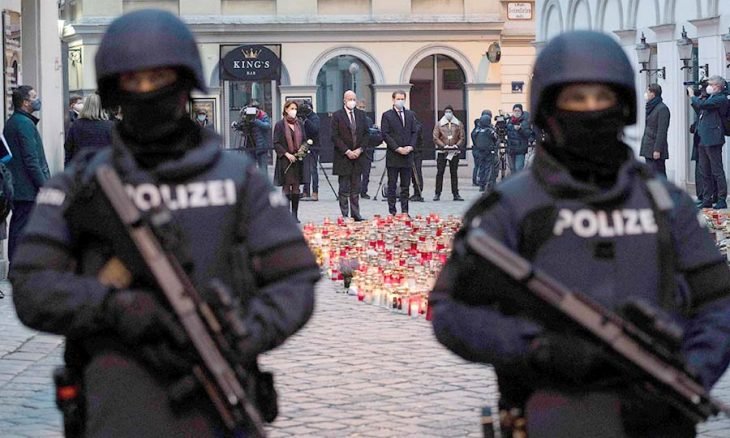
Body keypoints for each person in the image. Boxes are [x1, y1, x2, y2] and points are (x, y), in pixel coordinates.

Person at [10, 9, 319, 436]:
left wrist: (243, 333)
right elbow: (31, 287)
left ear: (185, 82)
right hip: (112, 408)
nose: (146, 91)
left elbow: (295, 279)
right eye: (132, 80)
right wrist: (115, 308)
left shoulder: (238, 180)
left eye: (159, 77)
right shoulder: (81, 186)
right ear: (113, 91)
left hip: (217, 400)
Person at [430, 30, 730, 437]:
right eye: (576, 99)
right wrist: (537, 347)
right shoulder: (512, 207)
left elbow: (718, 301)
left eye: (602, 97)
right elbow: (452, 311)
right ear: (548, 108)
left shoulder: (664, 202)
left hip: (655, 416)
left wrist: (691, 370)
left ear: (623, 105)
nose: (590, 109)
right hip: (546, 412)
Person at [4, 84, 49, 263]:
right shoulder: (23, 124)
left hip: (20, 187)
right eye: (34, 97)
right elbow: (31, 160)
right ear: (25, 102)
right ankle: (18, 267)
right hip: (26, 190)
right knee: (22, 229)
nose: (37, 100)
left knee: (19, 227)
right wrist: (44, 185)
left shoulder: (15, 122)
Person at [689, 75, 728, 209]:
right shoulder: (711, 97)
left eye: (711, 84)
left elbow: (702, 105)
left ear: (718, 86)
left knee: (717, 170)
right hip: (703, 138)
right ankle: (707, 199)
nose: (708, 87)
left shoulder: (720, 98)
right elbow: (700, 108)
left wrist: (692, 96)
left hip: (713, 138)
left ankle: (721, 198)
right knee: (704, 171)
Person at [331, 90, 369, 221]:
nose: (352, 102)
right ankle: (345, 214)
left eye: (354, 99)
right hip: (343, 157)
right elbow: (335, 136)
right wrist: (347, 151)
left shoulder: (361, 115)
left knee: (356, 188)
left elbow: (366, 134)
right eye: (349, 99)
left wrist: (360, 149)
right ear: (344, 100)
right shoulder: (337, 116)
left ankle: (356, 214)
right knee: (344, 188)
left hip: (358, 157)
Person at [381, 90, 418, 215]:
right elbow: (385, 134)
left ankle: (405, 211)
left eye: (402, 99)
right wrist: (397, 148)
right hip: (394, 155)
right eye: (398, 99)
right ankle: (392, 211)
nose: (400, 101)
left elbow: (414, 132)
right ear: (393, 99)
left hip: (407, 155)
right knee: (392, 185)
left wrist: (410, 146)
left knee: (405, 185)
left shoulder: (410, 114)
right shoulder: (387, 115)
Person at [273, 100, 307, 222]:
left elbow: (305, 140)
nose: (294, 111)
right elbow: (276, 143)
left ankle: (295, 215)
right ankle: (286, 215)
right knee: (287, 186)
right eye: (292, 108)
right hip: (285, 160)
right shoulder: (280, 125)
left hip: (297, 160)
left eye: (295, 109)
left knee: (296, 186)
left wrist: (302, 150)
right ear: (286, 109)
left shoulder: (300, 123)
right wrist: (287, 154)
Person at [64, 93, 114, 166]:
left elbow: (68, 148)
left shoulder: (76, 125)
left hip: (81, 168)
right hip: (103, 168)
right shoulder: (110, 126)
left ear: (85, 106)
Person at [433, 105, 465, 201]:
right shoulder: (439, 124)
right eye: (446, 112)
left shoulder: (458, 123)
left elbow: (462, 137)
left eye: (450, 112)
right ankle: (437, 193)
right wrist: (443, 146)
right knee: (440, 172)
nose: (448, 114)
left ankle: (455, 193)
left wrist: (457, 146)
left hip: (454, 152)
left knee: (454, 173)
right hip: (442, 151)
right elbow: (435, 137)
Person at [640, 83, 670, 177]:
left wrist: (657, 149)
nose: (646, 94)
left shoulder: (662, 109)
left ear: (653, 94)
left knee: (659, 175)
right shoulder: (651, 107)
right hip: (648, 148)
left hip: (655, 150)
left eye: (647, 92)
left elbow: (662, 131)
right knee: (650, 175)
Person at [470, 110, 499, 192]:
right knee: (488, 168)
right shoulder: (490, 130)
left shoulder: (477, 130)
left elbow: (473, 138)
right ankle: (488, 183)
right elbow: (495, 139)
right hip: (489, 152)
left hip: (479, 151)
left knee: (481, 168)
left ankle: (481, 184)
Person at [299, 101, 321, 202]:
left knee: (313, 169)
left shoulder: (315, 117)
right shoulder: (300, 117)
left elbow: (315, 130)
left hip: (314, 146)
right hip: (304, 145)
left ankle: (315, 191)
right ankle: (305, 191)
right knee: (304, 169)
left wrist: (306, 120)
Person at [505, 103, 532, 174]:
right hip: (511, 149)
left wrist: (520, 129)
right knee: (513, 170)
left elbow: (528, 134)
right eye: (515, 111)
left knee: (518, 169)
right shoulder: (509, 121)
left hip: (520, 149)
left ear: (521, 111)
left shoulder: (525, 122)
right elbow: (506, 132)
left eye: (518, 111)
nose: (516, 112)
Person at [356, 99, 375, 200]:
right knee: (356, 173)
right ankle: (356, 190)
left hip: (368, 150)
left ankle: (364, 191)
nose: (362, 109)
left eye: (363, 107)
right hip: (357, 150)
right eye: (360, 107)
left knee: (366, 173)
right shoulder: (354, 119)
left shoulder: (368, 120)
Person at [409, 121, 425, 202]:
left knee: (417, 173)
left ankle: (418, 193)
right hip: (407, 152)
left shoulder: (416, 125)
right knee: (407, 173)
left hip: (416, 152)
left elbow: (416, 134)